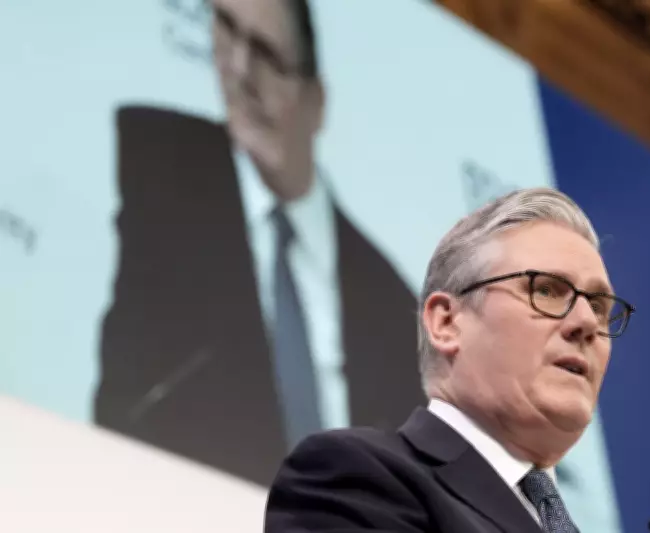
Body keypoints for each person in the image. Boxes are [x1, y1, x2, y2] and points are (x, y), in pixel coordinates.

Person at [93, 0, 423, 486]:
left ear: (316, 102)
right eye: (227, 30)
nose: (241, 72)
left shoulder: (392, 304)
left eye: (267, 56)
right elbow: (123, 405)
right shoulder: (163, 174)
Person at [265, 188, 636, 533]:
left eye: (598, 307)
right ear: (446, 323)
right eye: (546, 290)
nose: (587, 322)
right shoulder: (355, 477)